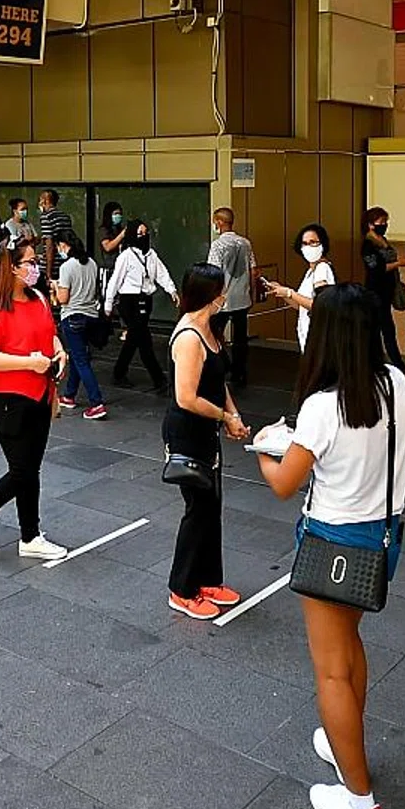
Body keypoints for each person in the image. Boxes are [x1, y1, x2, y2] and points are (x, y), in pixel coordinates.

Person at [254, 283, 405, 809]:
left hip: (333, 542)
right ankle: (344, 738)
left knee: (330, 670)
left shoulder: (323, 406)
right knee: (349, 648)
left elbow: (282, 484)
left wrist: (262, 448)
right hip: (383, 539)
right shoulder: (395, 383)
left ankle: (362, 806)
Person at [0, 240, 69, 562]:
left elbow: (48, 332)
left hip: (40, 391)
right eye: (30, 262)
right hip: (7, 397)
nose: (35, 267)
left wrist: (58, 350)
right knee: (22, 470)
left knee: (30, 469)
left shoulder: (37, 298)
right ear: (12, 267)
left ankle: (30, 536)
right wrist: (29, 362)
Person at [164, 262, 250, 620]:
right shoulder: (188, 337)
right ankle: (182, 590)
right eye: (221, 291)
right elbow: (186, 397)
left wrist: (233, 414)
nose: (225, 296)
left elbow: (218, 381)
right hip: (188, 431)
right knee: (197, 510)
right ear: (209, 295)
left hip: (207, 428)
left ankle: (209, 579)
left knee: (211, 507)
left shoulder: (211, 329)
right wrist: (225, 417)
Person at [104, 220, 177, 390]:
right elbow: (115, 281)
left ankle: (119, 373)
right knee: (143, 339)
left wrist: (171, 290)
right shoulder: (126, 256)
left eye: (146, 233)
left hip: (145, 298)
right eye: (140, 233)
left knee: (134, 339)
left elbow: (161, 273)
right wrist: (108, 304)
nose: (144, 237)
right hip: (129, 301)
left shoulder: (151, 255)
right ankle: (158, 379)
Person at [52, 231, 107, 420]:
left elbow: (63, 298)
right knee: (78, 357)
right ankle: (69, 395)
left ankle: (96, 402)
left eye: (59, 247)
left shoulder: (67, 267)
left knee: (81, 361)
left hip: (73, 317)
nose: (59, 250)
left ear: (64, 245)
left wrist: (55, 287)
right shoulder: (92, 263)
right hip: (91, 316)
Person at [264, 224, 336, 354]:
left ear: (323, 244)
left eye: (313, 242)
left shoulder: (322, 269)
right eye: (305, 243)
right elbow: (300, 305)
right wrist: (282, 292)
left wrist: (289, 293)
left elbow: (320, 305)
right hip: (307, 334)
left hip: (319, 336)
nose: (308, 247)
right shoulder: (310, 271)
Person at [207, 207, 256, 386]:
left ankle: (220, 366)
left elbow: (213, 273)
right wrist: (252, 293)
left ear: (219, 222)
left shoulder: (218, 245)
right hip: (242, 298)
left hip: (223, 299)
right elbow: (253, 270)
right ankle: (240, 372)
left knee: (213, 334)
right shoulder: (245, 243)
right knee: (241, 339)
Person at [359, 208, 405, 370]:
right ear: (370, 224)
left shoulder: (383, 240)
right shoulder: (368, 245)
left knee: (383, 329)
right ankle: (395, 365)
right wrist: (399, 263)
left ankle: (382, 363)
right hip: (375, 292)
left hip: (387, 291)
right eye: (381, 222)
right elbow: (376, 268)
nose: (385, 225)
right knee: (384, 329)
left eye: (385, 222)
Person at [36, 189, 74, 278]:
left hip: (52, 265)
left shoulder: (46, 217)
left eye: (41, 199)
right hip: (65, 261)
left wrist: (48, 272)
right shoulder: (65, 217)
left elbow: (50, 245)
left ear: (45, 200)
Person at [98, 200, 127, 270]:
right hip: (110, 267)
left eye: (120, 214)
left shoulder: (119, 229)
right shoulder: (104, 230)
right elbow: (107, 247)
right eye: (115, 214)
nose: (118, 216)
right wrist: (122, 235)